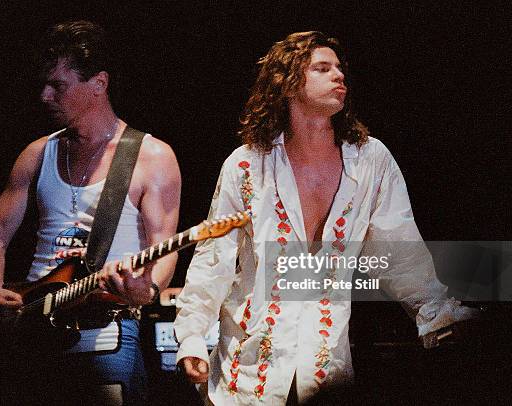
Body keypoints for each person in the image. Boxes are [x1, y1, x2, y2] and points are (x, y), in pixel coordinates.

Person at [173, 31, 477, 405]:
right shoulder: (247, 165)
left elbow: (401, 254)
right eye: (322, 68)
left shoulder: (370, 161)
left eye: (339, 69)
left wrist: (439, 317)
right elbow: (213, 258)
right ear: (286, 84)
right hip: (248, 374)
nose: (339, 76)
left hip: (326, 372)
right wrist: (190, 334)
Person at [0, 20, 181, 404]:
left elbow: (164, 246)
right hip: (32, 325)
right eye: (44, 84)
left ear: (99, 84)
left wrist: (147, 289)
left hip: (103, 331)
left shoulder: (152, 157)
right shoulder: (38, 153)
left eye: (58, 86)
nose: (44, 96)